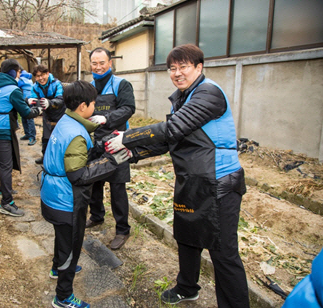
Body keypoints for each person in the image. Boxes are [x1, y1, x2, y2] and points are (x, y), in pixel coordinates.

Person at [105, 44, 249, 307]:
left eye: (184, 67)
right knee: (187, 236)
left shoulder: (209, 93)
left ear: (199, 67)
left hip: (219, 183)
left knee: (223, 253)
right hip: (192, 179)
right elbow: (172, 139)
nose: (177, 73)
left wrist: (129, 136)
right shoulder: (185, 96)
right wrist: (132, 153)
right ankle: (187, 288)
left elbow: (174, 127)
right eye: (172, 68)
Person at [41, 80, 131, 308]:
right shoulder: (76, 134)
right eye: (93, 103)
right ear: (83, 106)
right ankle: (63, 296)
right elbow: (79, 176)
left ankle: (56, 266)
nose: (96, 107)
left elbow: (77, 156)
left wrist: (101, 147)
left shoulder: (66, 120)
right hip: (66, 200)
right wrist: (114, 160)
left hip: (52, 194)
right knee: (70, 247)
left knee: (62, 241)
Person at [85, 47, 136, 250]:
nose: (98, 67)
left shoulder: (121, 85)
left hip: (117, 142)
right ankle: (97, 216)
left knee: (117, 187)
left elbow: (128, 109)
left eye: (102, 63)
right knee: (93, 183)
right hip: (96, 142)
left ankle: (122, 229)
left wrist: (107, 118)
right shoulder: (89, 86)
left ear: (110, 63)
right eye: (94, 63)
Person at [0, 59, 42, 217]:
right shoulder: (13, 89)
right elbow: (26, 113)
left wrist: (25, 100)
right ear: (12, 72)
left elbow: (5, 100)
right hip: (2, 129)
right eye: (17, 72)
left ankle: (3, 190)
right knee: (6, 166)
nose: (19, 75)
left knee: (3, 163)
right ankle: (6, 203)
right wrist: (39, 109)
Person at [28, 64, 65, 164]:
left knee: (59, 138)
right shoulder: (35, 87)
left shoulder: (57, 84)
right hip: (47, 115)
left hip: (59, 114)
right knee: (46, 138)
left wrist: (50, 103)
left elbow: (61, 100)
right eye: (37, 76)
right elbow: (34, 101)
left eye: (42, 75)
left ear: (47, 73)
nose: (40, 78)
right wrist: (31, 102)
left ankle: (60, 159)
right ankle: (45, 157)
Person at [17, 69, 37, 146]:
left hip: (26, 100)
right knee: (24, 117)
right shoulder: (29, 80)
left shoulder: (21, 80)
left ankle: (32, 137)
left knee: (29, 118)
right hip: (29, 99)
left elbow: (15, 85)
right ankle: (28, 134)